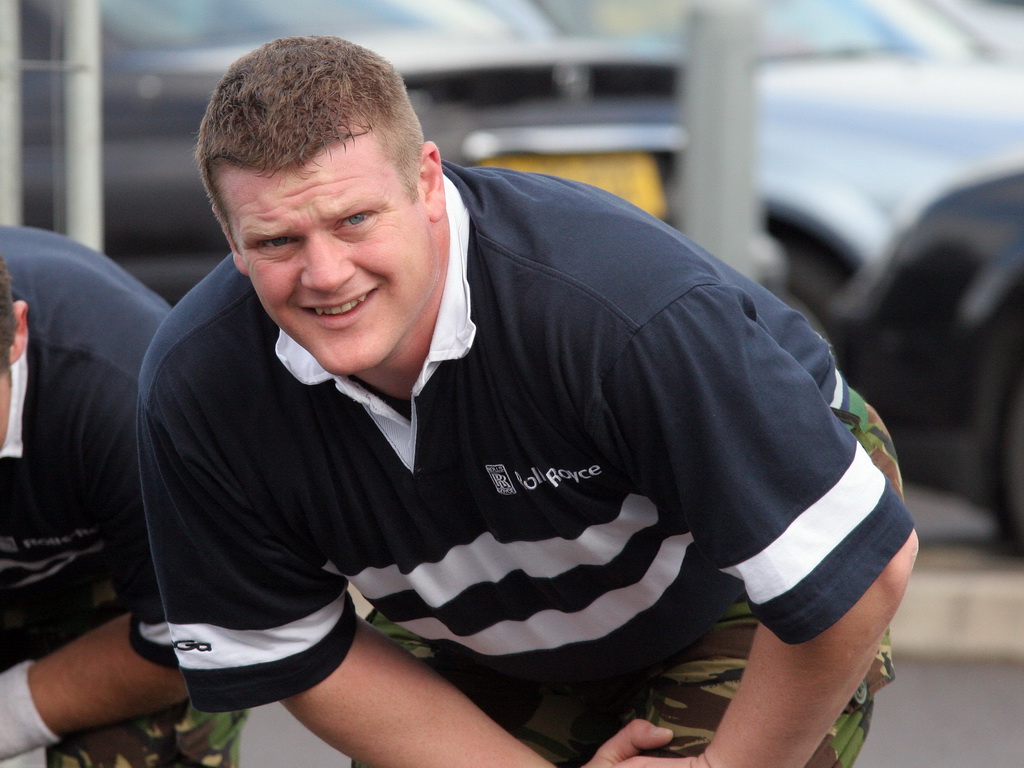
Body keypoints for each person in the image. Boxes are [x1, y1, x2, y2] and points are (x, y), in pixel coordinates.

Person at [137, 35, 917, 768]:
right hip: (490, 631)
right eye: (277, 241)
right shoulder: (199, 389)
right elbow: (298, 648)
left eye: (355, 220)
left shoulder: (616, 312)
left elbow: (854, 570)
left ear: (426, 182)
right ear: (232, 241)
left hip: (728, 584)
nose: (327, 274)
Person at [0, 225, 248, 766]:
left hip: (114, 585)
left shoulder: (138, 397)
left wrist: (9, 715)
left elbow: (196, 638)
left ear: (17, 334)